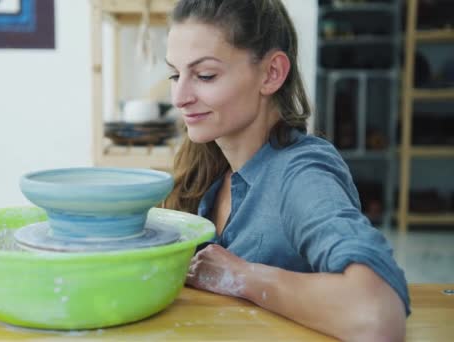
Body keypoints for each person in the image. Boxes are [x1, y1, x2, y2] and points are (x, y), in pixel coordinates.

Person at [163, 0, 410, 340]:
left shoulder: (303, 173)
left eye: (205, 75)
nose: (179, 96)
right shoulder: (207, 165)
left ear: (272, 73)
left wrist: (242, 276)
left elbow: (377, 314)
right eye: (176, 74)